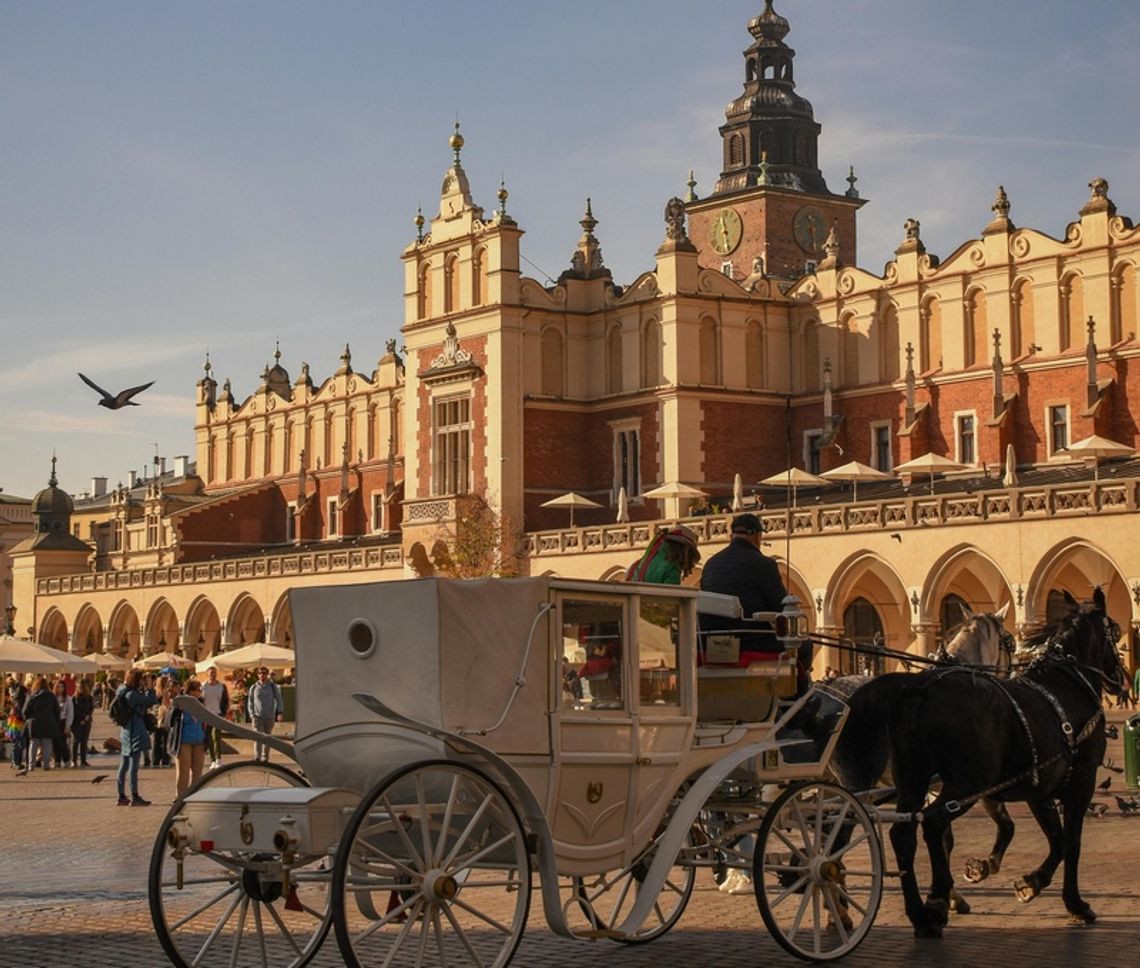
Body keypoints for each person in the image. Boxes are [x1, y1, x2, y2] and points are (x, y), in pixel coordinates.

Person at [114, 669, 158, 806]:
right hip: (135, 731)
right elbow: (152, 701)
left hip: (126, 730)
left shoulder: (123, 690)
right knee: (133, 766)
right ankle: (135, 796)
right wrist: (150, 687)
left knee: (124, 764)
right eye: (141, 679)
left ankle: (121, 796)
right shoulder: (132, 694)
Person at [169, 679, 207, 799]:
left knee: (198, 771)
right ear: (190, 691)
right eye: (197, 689)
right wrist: (177, 710)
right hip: (184, 740)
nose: (200, 692)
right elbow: (169, 722)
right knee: (183, 770)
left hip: (199, 741)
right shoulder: (180, 703)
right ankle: (180, 798)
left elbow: (206, 722)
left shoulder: (201, 703)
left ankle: (195, 796)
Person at [22, 677, 63, 771]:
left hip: (34, 724)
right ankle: (46, 765)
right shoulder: (51, 696)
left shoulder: (32, 696)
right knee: (47, 744)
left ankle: (31, 765)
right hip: (49, 723)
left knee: (33, 745)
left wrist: (28, 719)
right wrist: (55, 721)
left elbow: (24, 711)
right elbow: (57, 710)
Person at [246, 667, 283, 763]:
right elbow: (250, 701)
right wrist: (251, 714)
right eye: (260, 673)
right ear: (258, 675)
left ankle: (265, 758)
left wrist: (280, 712)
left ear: (267, 674)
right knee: (257, 737)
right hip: (257, 717)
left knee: (267, 738)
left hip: (269, 717)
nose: (262, 675)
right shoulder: (254, 687)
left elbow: (279, 699)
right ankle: (257, 757)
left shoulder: (272, 686)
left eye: (264, 673)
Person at [200, 666, 230, 769]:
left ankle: (218, 759)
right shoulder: (203, 686)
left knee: (216, 736)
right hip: (206, 714)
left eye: (214, 673)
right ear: (207, 674)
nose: (213, 675)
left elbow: (225, 700)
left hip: (217, 714)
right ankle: (212, 759)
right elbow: (200, 700)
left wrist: (224, 713)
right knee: (208, 738)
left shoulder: (221, 686)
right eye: (211, 673)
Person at [70, 680, 94, 768]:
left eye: (81, 687)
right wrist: (82, 717)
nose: (80, 689)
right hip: (77, 722)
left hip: (87, 721)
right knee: (76, 741)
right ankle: (74, 760)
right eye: (78, 687)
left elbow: (91, 708)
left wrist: (87, 716)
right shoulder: (74, 698)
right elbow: (74, 710)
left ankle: (83, 760)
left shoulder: (89, 698)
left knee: (84, 741)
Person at [52, 680, 74, 767]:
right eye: (58, 687)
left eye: (61, 687)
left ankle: (66, 759)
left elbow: (70, 713)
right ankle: (57, 760)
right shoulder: (53, 698)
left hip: (63, 721)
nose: (60, 689)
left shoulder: (68, 699)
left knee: (62, 742)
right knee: (54, 742)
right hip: (54, 722)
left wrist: (68, 725)